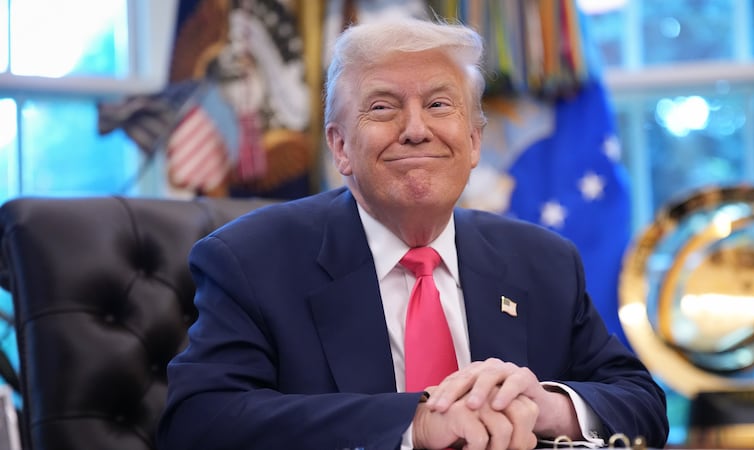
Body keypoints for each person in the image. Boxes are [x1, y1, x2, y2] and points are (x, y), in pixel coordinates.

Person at [157, 17, 669, 450]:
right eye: (382, 107)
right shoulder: (249, 259)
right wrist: (413, 422)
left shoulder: (543, 260)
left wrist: (549, 407)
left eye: (440, 105)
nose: (416, 129)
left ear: (472, 143)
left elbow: (641, 402)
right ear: (340, 148)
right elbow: (198, 420)